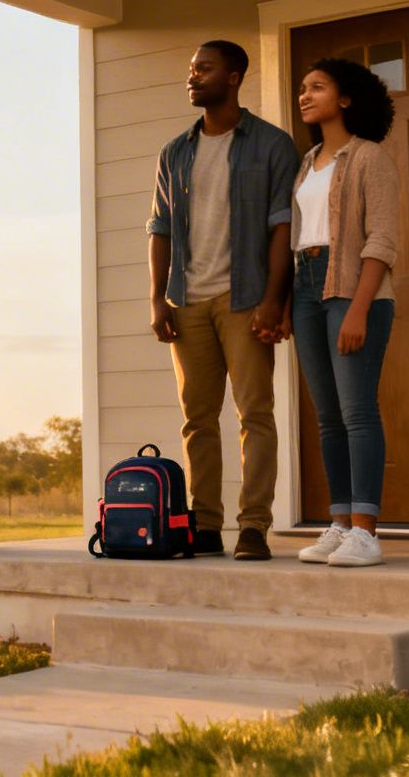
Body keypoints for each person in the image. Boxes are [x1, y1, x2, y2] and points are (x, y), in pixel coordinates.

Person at [147, 40, 300, 561]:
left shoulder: (273, 146)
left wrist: (273, 301)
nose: (193, 77)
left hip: (245, 297)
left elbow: (283, 229)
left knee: (255, 413)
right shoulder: (175, 152)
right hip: (187, 300)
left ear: (233, 77)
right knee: (198, 419)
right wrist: (157, 299)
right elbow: (160, 229)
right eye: (190, 69)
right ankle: (205, 526)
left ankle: (254, 526)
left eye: (204, 69)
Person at [288, 56, 400, 568]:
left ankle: (366, 531)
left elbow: (382, 239)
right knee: (327, 417)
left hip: (353, 288)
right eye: (302, 89)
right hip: (306, 285)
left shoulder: (369, 157)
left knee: (357, 411)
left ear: (346, 98)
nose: (305, 95)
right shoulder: (307, 160)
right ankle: (338, 522)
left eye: (317, 87)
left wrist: (358, 307)